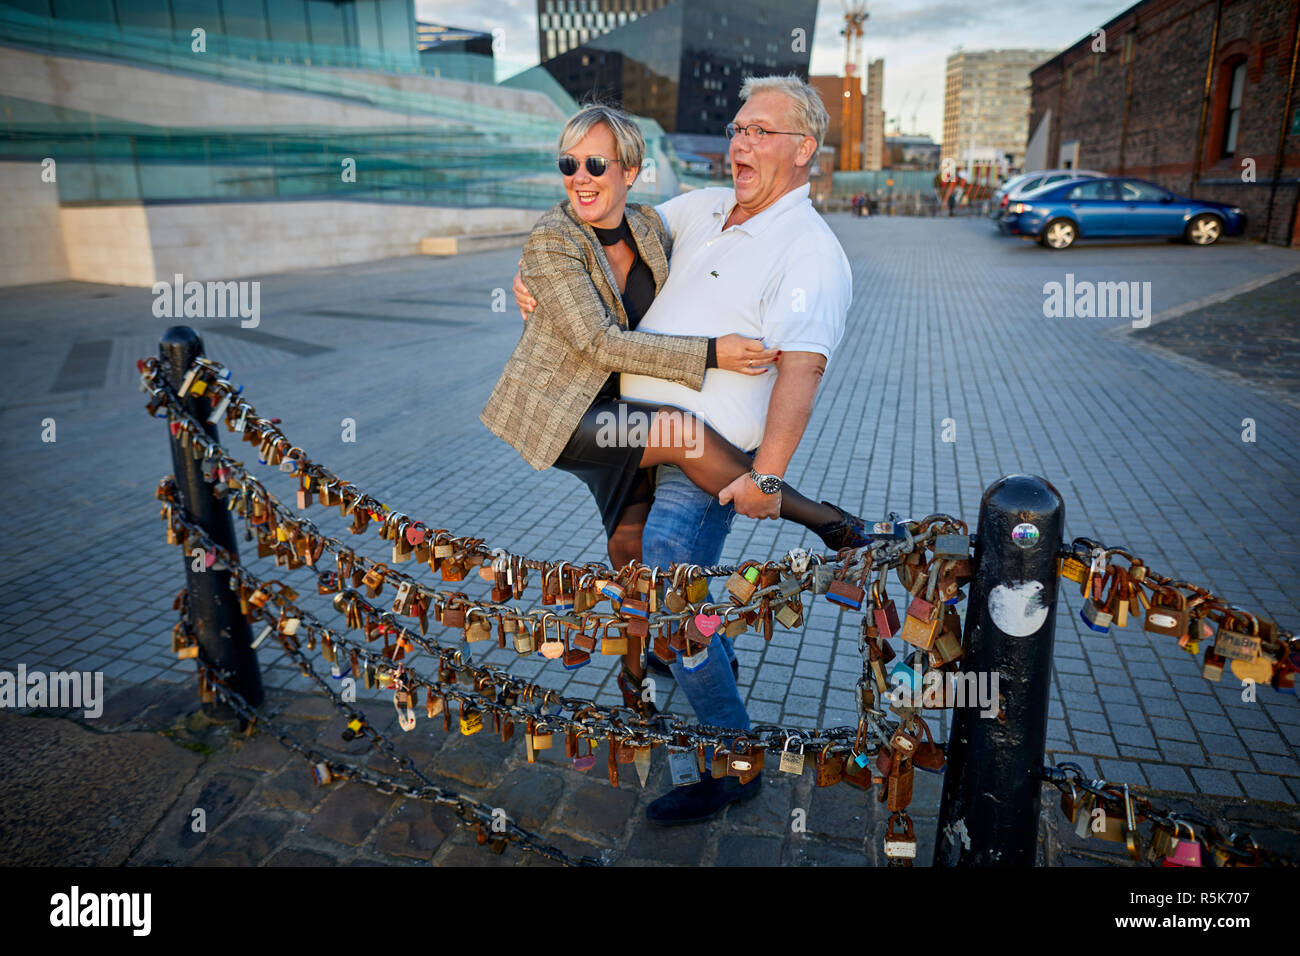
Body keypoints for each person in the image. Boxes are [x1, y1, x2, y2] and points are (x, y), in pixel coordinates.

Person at [513, 76, 854, 825]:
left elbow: (802, 368)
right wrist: (536, 276)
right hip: (633, 436)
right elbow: (602, 230)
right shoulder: (701, 208)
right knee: (647, 578)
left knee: (668, 588)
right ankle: (699, 667)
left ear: (805, 151)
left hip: (706, 461)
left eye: (762, 132)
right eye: (738, 128)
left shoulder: (811, 252)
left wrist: (769, 473)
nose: (741, 143)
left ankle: (734, 762)